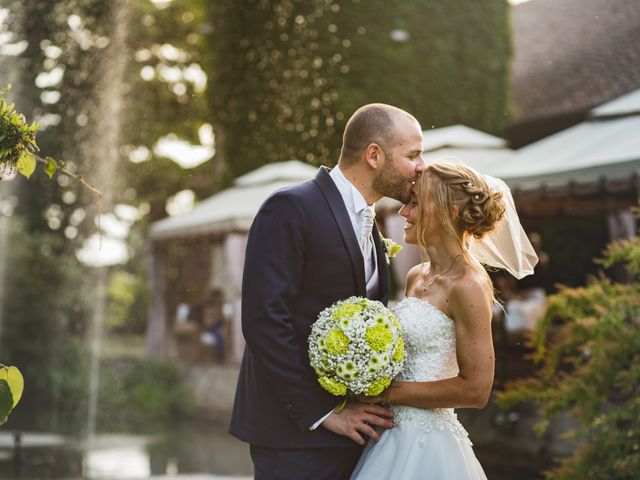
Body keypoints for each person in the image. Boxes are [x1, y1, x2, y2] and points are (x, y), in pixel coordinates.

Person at [229, 103, 425, 479]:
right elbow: (263, 320)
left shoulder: (371, 225)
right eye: (413, 155)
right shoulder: (290, 208)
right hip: (294, 436)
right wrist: (326, 411)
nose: (421, 166)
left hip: (354, 434)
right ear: (374, 155)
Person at [351, 161, 537, 479]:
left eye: (415, 203)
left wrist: (386, 392)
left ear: (450, 211)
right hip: (387, 436)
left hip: (428, 446)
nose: (403, 213)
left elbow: (476, 390)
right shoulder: (415, 276)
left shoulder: (468, 285)